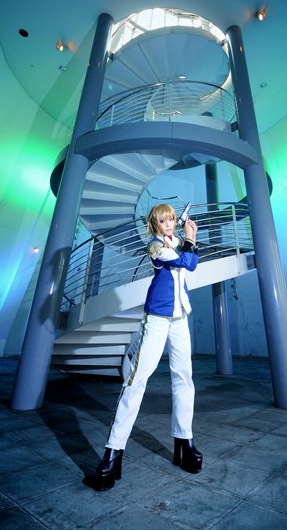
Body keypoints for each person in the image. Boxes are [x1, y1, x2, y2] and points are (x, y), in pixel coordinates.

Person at [93, 203, 202, 491]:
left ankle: (185, 440)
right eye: (163, 221)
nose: (169, 224)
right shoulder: (155, 246)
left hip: (180, 316)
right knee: (137, 379)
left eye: (172, 219)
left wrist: (189, 237)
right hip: (157, 317)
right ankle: (113, 451)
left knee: (184, 378)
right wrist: (191, 239)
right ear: (155, 225)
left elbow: (191, 258)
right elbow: (188, 262)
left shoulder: (177, 241)